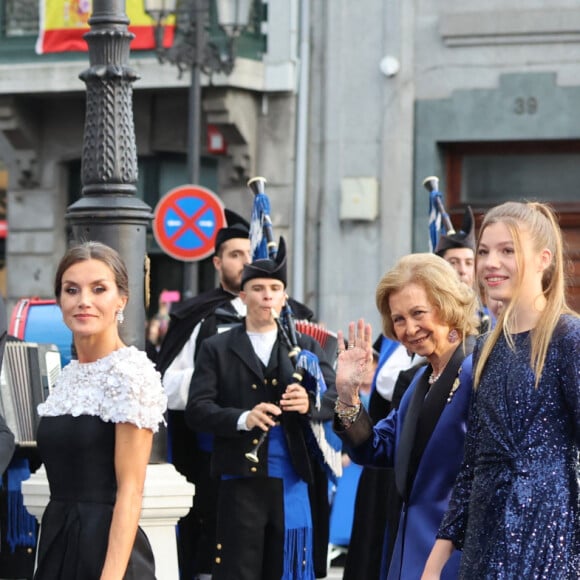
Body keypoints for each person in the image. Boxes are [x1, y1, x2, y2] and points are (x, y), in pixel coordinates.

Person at [423, 201, 580, 579]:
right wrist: (434, 564)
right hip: (484, 543)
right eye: (484, 251)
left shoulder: (568, 338)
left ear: (544, 259)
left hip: (550, 540)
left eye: (507, 250)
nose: (491, 263)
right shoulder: (484, 349)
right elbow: (474, 463)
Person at [185, 238, 337, 580]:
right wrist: (242, 418)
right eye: (257, 288)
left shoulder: (307, 345)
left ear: (284, 297)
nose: (267, 295)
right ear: (243, 297)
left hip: (293, 478)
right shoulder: (217, 347)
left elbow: (333, 400)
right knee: (239, 569)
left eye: (275, 288)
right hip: (239, 478)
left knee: (288, 568)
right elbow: (197, 410)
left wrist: (310, 403)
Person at [333, 253, 479, 580]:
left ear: (447, 305)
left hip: (454, 553)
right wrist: (347, 395)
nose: (409, 328)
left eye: (418, 313)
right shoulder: (418, 380)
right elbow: (379, 448)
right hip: (405, 549)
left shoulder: (477, 372)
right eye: (398, 319)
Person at [33, 241, 167, 580]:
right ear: (60, 300)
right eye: (71, 290)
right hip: (58, 544)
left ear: (121, 300)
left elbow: (130, 492)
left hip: (110, 556)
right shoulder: (67, 376)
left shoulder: (131, 374)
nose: (84, 301)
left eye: (99, 289)